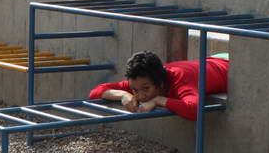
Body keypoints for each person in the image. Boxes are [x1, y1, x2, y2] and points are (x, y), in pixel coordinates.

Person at [89, 50, 228, 121]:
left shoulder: (180, 81)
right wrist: (123, 95)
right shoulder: (141, 82)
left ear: (161, 84)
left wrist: (158, 100)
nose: (140, 96)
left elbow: (195, 111)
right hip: (214, 59)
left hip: (232, 66)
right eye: (135, 90)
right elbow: (96, 91)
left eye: (146, 89)